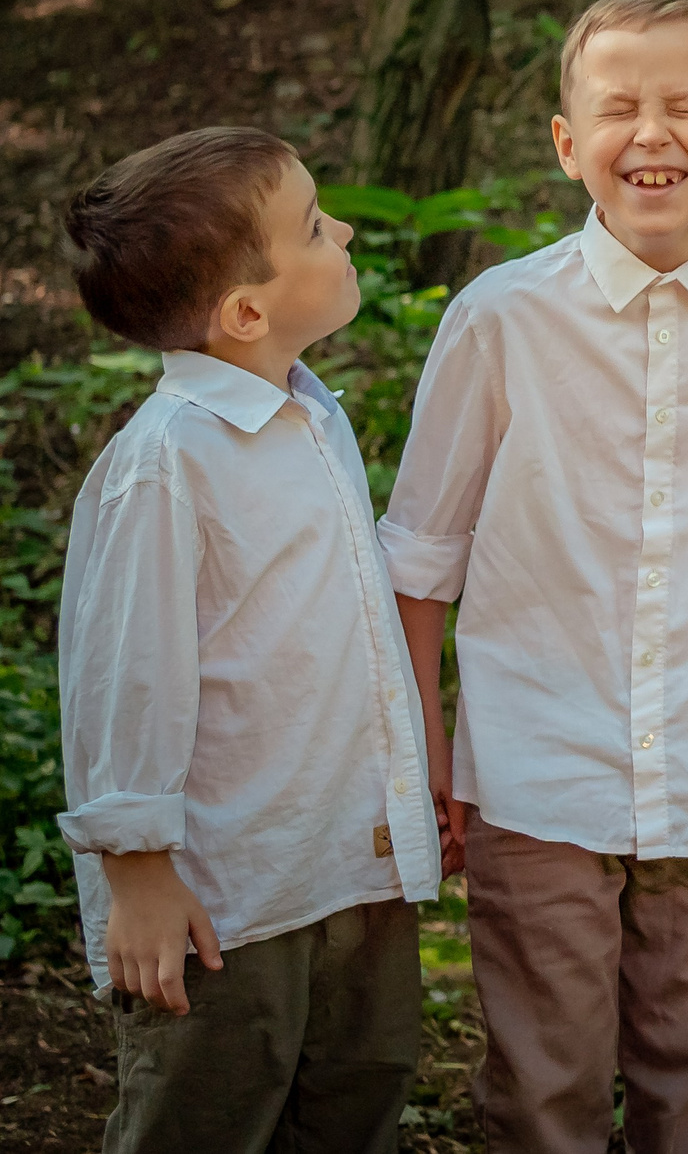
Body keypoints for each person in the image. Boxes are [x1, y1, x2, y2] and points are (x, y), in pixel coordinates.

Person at [380, 0, 688, 1152]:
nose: (651, 134)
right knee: (546, 1074)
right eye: (618, 108)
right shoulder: (500, 319)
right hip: (536, 765)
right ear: (566, 144)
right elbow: (420, 560)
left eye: (686, 107)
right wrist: (425, 746)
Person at [55, 126, 441, 1154]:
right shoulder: (168, 464)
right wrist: (137, 870)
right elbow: (125, 677)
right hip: (226, 906)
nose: (344, 228)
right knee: (210, 1117)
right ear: (245, 312)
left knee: (356, 1101)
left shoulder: (314, 420)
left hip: (349, 868)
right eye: (315, 225)